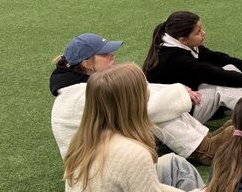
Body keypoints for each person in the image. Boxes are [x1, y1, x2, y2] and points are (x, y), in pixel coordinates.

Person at [63, 63, 205, 192]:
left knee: (174, 164)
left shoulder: (86, 138)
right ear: (132, 100)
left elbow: (144, 187)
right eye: (144, 86)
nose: (149, 90)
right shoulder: (129, 152)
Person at [50, 33, 228, 165]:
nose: (112, 56)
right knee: (153, 111)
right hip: (93, 164)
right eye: (105, 54)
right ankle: (206, 150)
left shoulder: (89, 83)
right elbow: (142, 107)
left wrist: (179, 90)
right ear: (87, 64)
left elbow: (143, 91)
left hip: (106, 150)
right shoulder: (83, 94)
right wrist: (179, 93)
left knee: (158, 104)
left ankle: (205, 142)